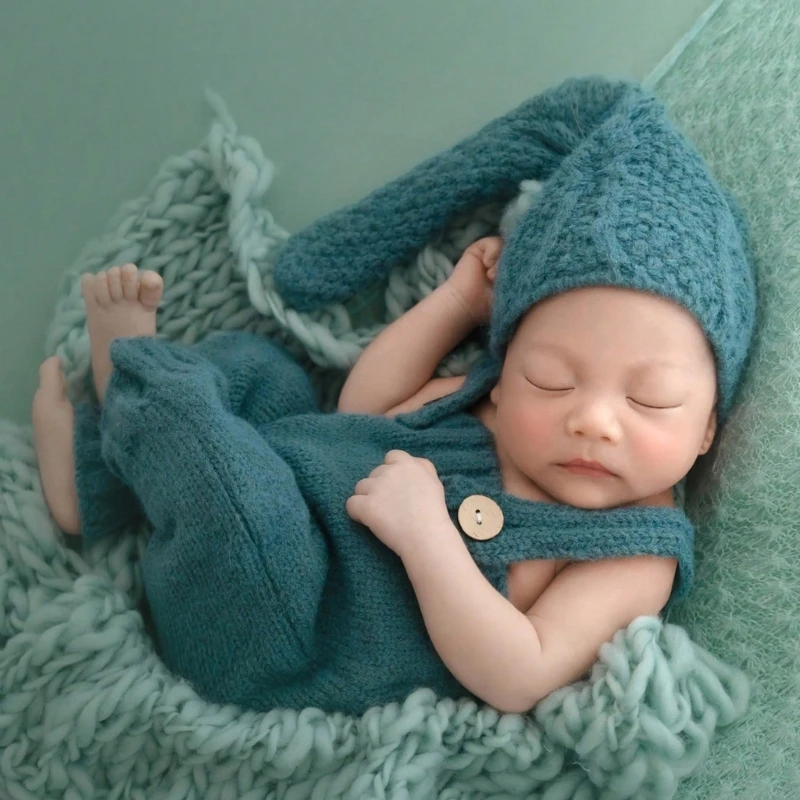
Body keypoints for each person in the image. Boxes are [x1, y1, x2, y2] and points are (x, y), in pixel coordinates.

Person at [30, 78, 756, 717]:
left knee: (220, 473)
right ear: (505, 371)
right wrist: (454, 304)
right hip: (276, 480)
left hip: (283, 625)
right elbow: (361, 410)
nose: (593, 419)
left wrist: (427, 536)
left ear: (705, 431)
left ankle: (133, 382)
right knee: (259, 372)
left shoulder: (635, 550)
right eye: (551, 380)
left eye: (652, 399)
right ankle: (95, 482)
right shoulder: (492, 408)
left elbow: (522, 670)